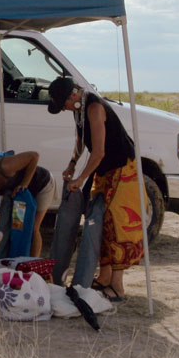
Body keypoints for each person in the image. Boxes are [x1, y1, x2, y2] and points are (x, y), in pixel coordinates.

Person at [46, 76, 142, 302]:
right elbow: (80, 141)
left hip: (121, 169)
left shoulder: (95, 108)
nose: (63, 109)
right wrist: (72, 163)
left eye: (63, 104)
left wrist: (80, 178)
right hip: (105, 170)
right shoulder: (78, 110)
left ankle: (117, 286)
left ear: (73, 95)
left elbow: (98, 152)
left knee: (116, 224)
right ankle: (105, 276)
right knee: (100, 222)